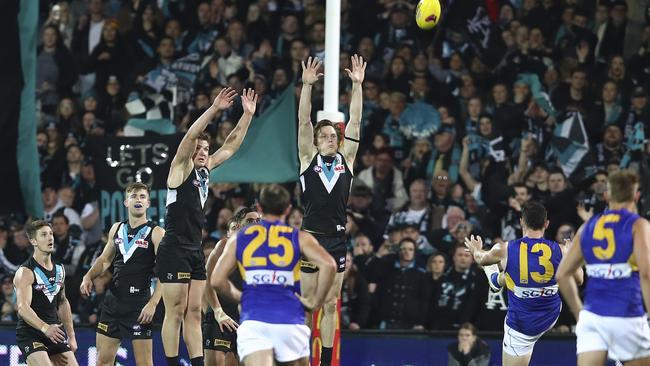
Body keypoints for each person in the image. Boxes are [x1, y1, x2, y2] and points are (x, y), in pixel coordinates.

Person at [156, 87, 258, 366]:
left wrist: (247, 116)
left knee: (194, 311)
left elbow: (231, 145)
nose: (203, 152)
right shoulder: (179, 168)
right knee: (174, 311)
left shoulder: (205, 170)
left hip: (193, 249)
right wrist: (214, 109)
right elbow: (190, 136)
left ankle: (197, 363)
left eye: (205, 149)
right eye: (199, 149)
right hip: (174, 247)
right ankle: (173, 363)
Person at [210, 184, 336, 366]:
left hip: (255, 321)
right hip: (290, 321)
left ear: (260, 208)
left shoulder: (240, 238)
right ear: (288, 209)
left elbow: (216, 280)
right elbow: (329, 265)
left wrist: (242, 297)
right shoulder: (299, 237)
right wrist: (314, 302)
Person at [297, 54, 366, 366]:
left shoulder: (346, 160)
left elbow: (356, 121)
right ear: (315, 141)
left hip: (336, 240)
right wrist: (307, 86)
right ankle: (299, 357)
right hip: (310, 239)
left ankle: (324, 362)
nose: (328, 138)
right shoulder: (306, 159)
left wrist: (357, 85)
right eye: (323, 135)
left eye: (332, 136)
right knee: (309, 303)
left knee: (329, 303)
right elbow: (303, 121)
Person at [463, 201, 583, 366]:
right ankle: (498, 280)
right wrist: (572, 255)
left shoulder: (504, 249)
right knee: (519, 273)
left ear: (521, 222)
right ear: (546, 224)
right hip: (551, 312)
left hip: (523, 326)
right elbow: (579, 279)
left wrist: (476, 249)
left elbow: (481, 260)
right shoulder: (561, 250)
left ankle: (496, 280)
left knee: (512, 269)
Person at [557, 170, 650, 366]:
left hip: (592, 318)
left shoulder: (588, 226)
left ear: (607, 196)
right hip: (627, 316)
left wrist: (579, 314)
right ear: (636, 195)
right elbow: (647, 274)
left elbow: (563, 274)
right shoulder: (638, 225)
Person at [79, 182, 164, 366]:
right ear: (126, 202)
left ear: (149, 203)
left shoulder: (156, 233)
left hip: (139, 306)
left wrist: (153, 303)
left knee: (144, 364)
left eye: (142, 196)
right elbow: (104, 260)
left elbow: (166, 273)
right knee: (102, 362)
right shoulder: (117, 228)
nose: (138, 200)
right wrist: (88, 276)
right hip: (113, 303)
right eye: (133, 196)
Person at [14, 220, 78, 366]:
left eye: (51, 234)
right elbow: (23, 308)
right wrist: (45, 328)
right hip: (31, 334)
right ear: (33, 241)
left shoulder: (60, 269)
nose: (50, 238)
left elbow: (62, 302)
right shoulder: (25, 272)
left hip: (54, 333)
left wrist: (72, 336)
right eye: (44, 235)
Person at [203, 206, 260, 366]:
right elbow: (208, 279)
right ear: (240, 225)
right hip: (220, 317)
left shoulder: (265, 252)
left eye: (258, 220)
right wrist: (218, 311)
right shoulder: (224, 246)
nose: (255, 224)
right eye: (250, 220)